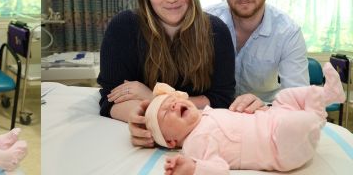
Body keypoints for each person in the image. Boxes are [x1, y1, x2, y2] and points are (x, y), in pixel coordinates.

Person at [97, 0, 236, 147]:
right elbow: (111, 98)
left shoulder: (216, 32)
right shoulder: (123, 28)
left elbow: (221, 99)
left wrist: (152, 97)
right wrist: (144, 121)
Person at [144, 62, 344, 174]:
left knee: (285, 97)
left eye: (173, 100)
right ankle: (316, 116)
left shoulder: (207, 113)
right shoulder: (194, 144)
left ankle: (328, 95)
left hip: (273, 117)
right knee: (292, 125)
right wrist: (193, 168)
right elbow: (219, 169)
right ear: (171, 141)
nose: (173, 104)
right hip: (277, 147)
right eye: (166, 112)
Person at [205, 0, 309, 113]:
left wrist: (265, 107)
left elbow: (299, 103)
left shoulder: (288, 33)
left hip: (264, 118)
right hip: (212, 118)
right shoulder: (203, 23)